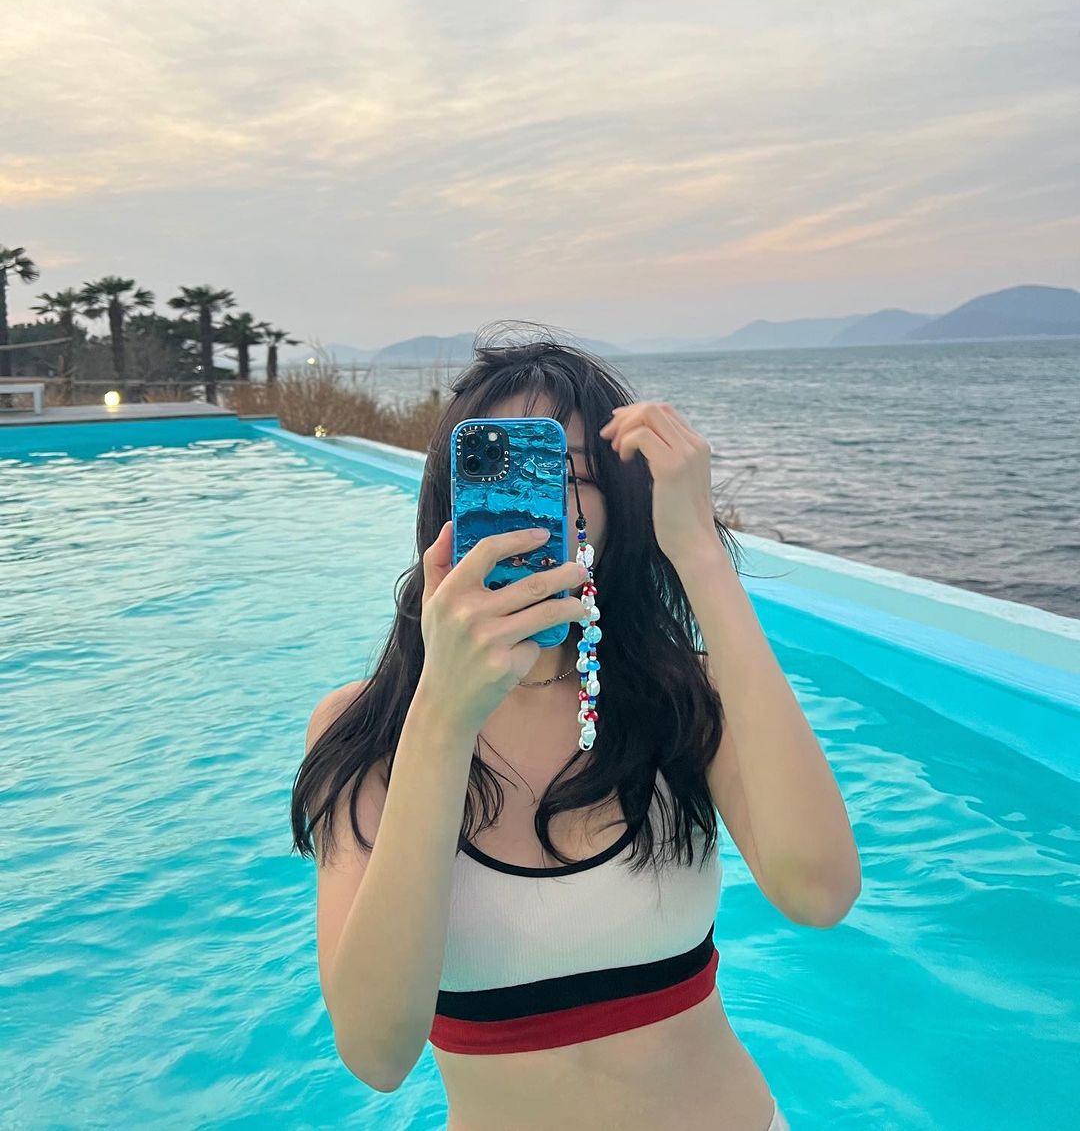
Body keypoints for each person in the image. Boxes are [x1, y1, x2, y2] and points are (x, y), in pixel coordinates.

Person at [292, 329, 861, 1130]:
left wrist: (699, 552)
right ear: (449, 502)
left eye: (579, 476)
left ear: (619, 513)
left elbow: (821, 893)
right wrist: (443, 716)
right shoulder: (370, 734)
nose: (545, 503)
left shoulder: (679, 699)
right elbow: (375, 1053)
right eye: (504, 470)